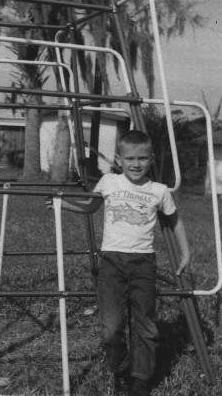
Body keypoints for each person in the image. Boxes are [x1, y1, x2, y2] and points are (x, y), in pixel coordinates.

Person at [47, 130, 190, 396]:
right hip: (111, 262)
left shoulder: (158, 191)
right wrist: (62, 204)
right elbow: (90, 208)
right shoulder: (109, 182)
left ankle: (140, 380)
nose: (136, 164)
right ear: (118, 159)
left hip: (143, 264)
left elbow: (175, 221)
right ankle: (121, 369)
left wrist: (185, 252)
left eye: (143, 158)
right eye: (130, 158)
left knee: (145, 324)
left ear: (151, 159)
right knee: (111, 328)